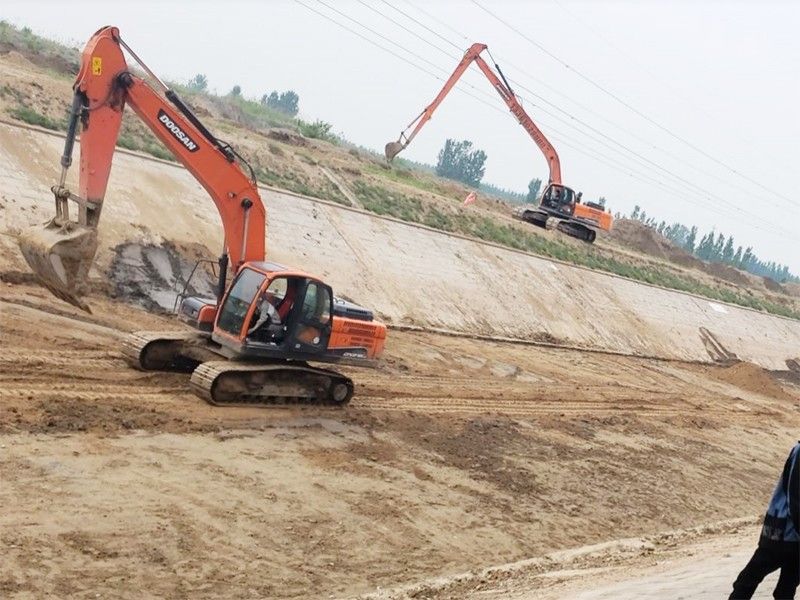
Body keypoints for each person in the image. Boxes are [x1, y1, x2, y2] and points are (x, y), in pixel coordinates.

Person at [730, 441, 800, 599]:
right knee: (785, 589)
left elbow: (795, 498)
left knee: (747, 582)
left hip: (782, 533)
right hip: (788, 534)